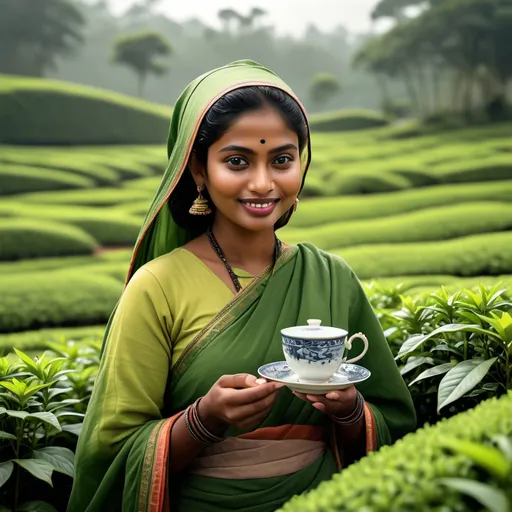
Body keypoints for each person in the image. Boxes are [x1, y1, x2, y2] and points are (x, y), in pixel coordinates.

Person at [68, 59, 416, 512]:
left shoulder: (333, 277)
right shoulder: (156, 288)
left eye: (282, 160)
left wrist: (349, 412)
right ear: (197, 171)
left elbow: (394, 424)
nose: (263, 183)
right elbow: (110, 452)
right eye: (237, 161)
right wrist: (202, 421)